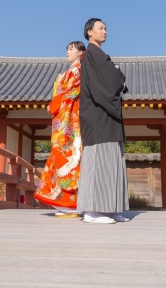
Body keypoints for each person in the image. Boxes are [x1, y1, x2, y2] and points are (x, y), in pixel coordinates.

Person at [77, 18, 130, 224]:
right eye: (101, 28)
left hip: (108, 117)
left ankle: (110, 209)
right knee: (98, 163)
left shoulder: (99, 55)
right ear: (90, 32)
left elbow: (114, 78)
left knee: (112, 163)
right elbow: (107, 83)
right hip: (98, 116)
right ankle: (91, 211)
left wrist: (117, 75)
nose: (105, 31)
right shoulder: (90, 55)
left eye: (106, 28)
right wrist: (118, 75)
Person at [34, 41, 86, 217]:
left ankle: (71, 203)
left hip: (69, 122)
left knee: (67, 156)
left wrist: (53, 104)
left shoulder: (77, 71)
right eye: (67, 49)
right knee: (60, 156)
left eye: (71, 49)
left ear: (81, 53)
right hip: (63, 120)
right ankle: (63, 202)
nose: (67, 52)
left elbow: (69, 93)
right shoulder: (68, 72)